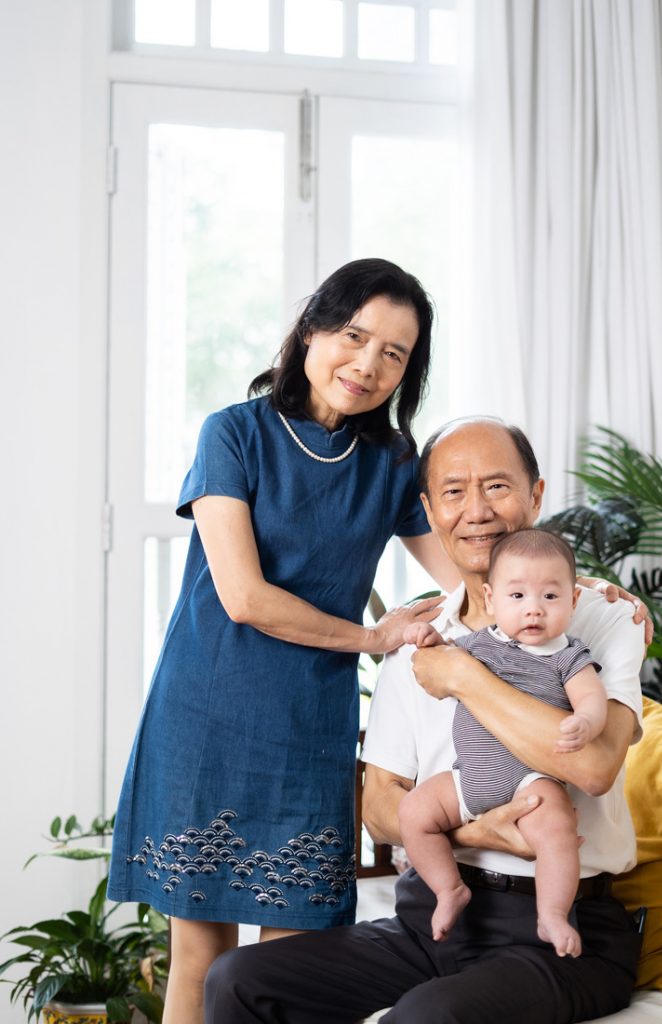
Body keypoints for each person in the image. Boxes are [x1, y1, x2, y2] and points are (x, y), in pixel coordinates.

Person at [107, 259, 465, 1024]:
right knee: (201, 960)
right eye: (353, 335)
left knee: (283, 968)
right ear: (311, 330)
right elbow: (244, 597)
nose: (367, 364)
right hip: (205, 716)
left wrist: (589, 594)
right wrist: (374, 637)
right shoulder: (232, 434)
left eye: (394, 354)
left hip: (307, 733)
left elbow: (469, 576)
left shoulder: (393, 465)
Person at [204, 417, 647, 1024]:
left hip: (563, 929)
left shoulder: (601, 619)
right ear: (429, 510)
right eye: (454, 492)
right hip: (436, 917)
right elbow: (382, 806)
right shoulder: (417, 634)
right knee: (238, 979)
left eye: (497, 487)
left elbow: (594, 767)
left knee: (424, 1017)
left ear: (536, 495)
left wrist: (464, 676)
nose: (477, 511)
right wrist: (476, 834)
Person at [399, 528, 607, 956]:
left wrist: (586, 720)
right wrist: (430, 640)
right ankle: (447, 889)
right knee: (414, 811)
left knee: (556, 830)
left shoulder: (569, 656)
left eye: (550, 597)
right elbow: (443, 657)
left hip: (530, 780)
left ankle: (551, 913)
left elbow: (591, 698)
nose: (534, 609)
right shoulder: (477, 645)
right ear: (492, 600)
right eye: (518, 597)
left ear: (573, 601)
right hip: (468, 779)